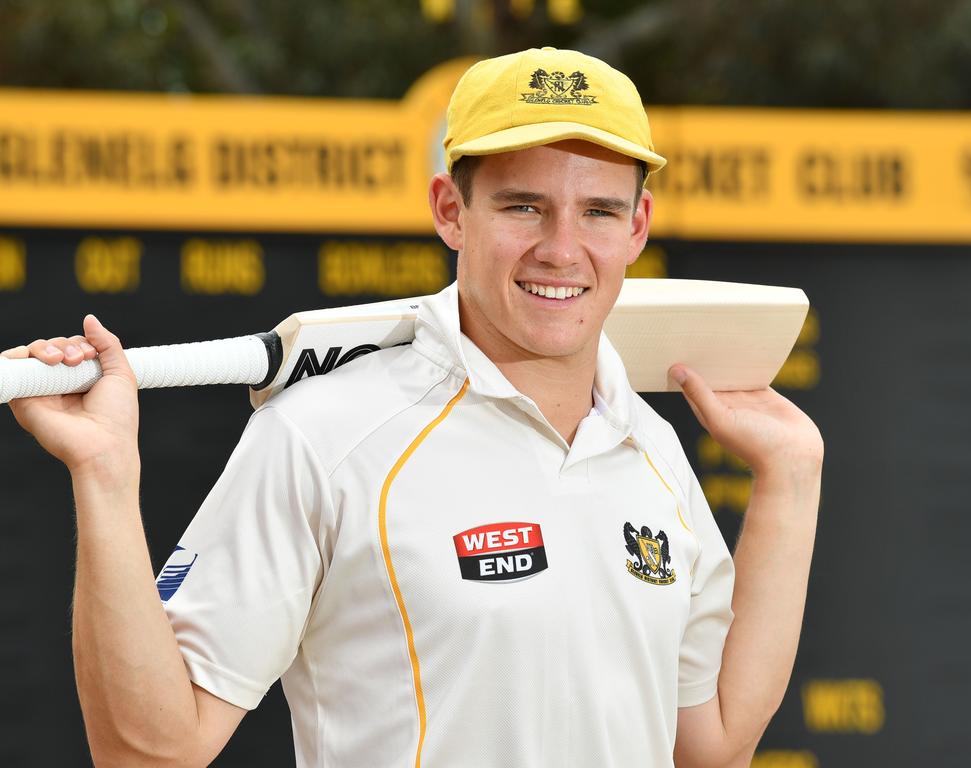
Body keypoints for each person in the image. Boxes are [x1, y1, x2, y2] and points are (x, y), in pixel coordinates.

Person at [3, 47, 823, 767]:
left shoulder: (652, 453)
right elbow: (150, 751)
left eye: (598, 210)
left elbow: (710, 747)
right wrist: (106, 478)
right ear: (450, 211)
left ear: (638, 226)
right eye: (523, 205)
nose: (561, 249)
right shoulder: (322, 435)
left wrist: (792, 477)